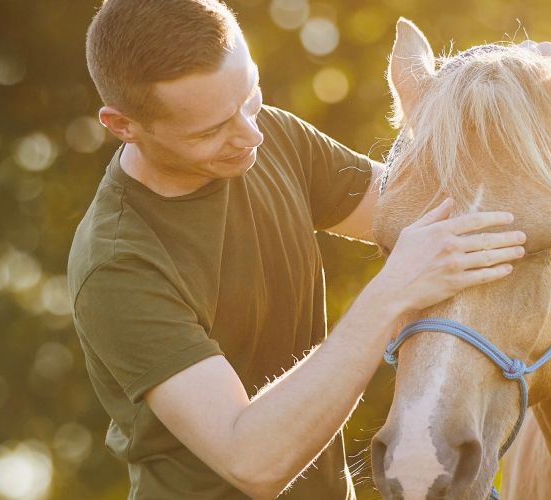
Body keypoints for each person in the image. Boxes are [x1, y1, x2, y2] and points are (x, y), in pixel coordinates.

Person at [67, 0, 527, 498]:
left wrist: (533, 105)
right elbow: (252, 460)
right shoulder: (119, 266)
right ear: (122, 125)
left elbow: (433, 215)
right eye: (210, 130)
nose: (250, 134)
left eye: (250, 97)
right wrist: (391, 293)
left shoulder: (269, 140)